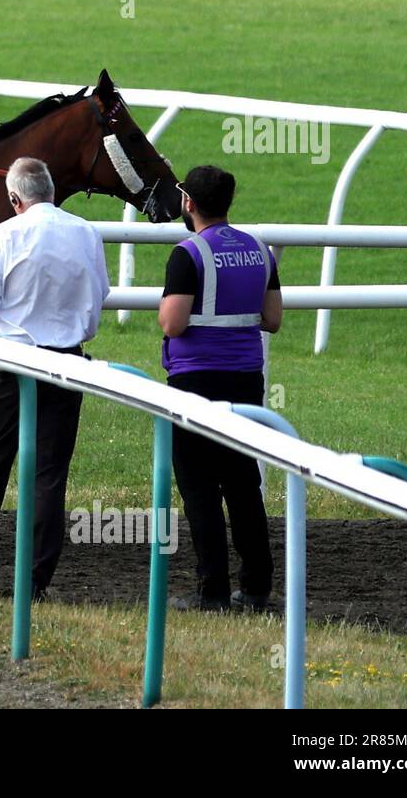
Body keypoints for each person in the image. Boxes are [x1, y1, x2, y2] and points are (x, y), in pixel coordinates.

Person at [0, 158, 110, 599]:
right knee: (49, 474)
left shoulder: (6, 234)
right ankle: (34, 581)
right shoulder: (86, 233)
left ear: (15, 199)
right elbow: (97, 304)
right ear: (51, 190)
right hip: (67, 367)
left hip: (9, 365)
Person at [158, 165, 282, 612]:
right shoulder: (259, 250)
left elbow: (172, 322)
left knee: (200, 489)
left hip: (195, 380)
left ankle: (211, 590)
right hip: (247, 378)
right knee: (243, 484)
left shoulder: (187, 254)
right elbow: (273, 319)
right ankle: (256, 587)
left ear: (188, 202)